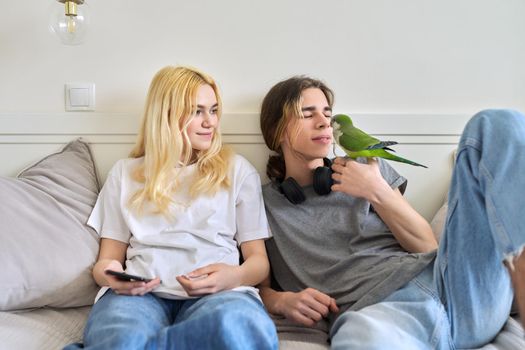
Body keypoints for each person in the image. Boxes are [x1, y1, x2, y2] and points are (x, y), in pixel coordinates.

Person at [258, 75, 525, 349]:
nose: (325, 122)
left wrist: (377, 190)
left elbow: (427, 246)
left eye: (327, 113)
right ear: (278, 130)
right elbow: (254, 280)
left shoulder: (366, 165)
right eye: (307, 114)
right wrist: (280, 300)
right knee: (360, 336)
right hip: (381, 317)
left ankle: (522, 266)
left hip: (452, 286)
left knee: (496, 124)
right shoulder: (261, 202)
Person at [65, 66, 278, 350]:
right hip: (139, 298)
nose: (210, 122)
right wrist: (115, 278)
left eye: (213, 110)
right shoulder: (125, 174)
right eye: (197, 111)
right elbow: (106, 262)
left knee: (237, 329)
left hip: (221, 295)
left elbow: (259, 263)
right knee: (122, 339)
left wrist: (234, 276)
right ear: (165, 115)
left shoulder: (237, 171)